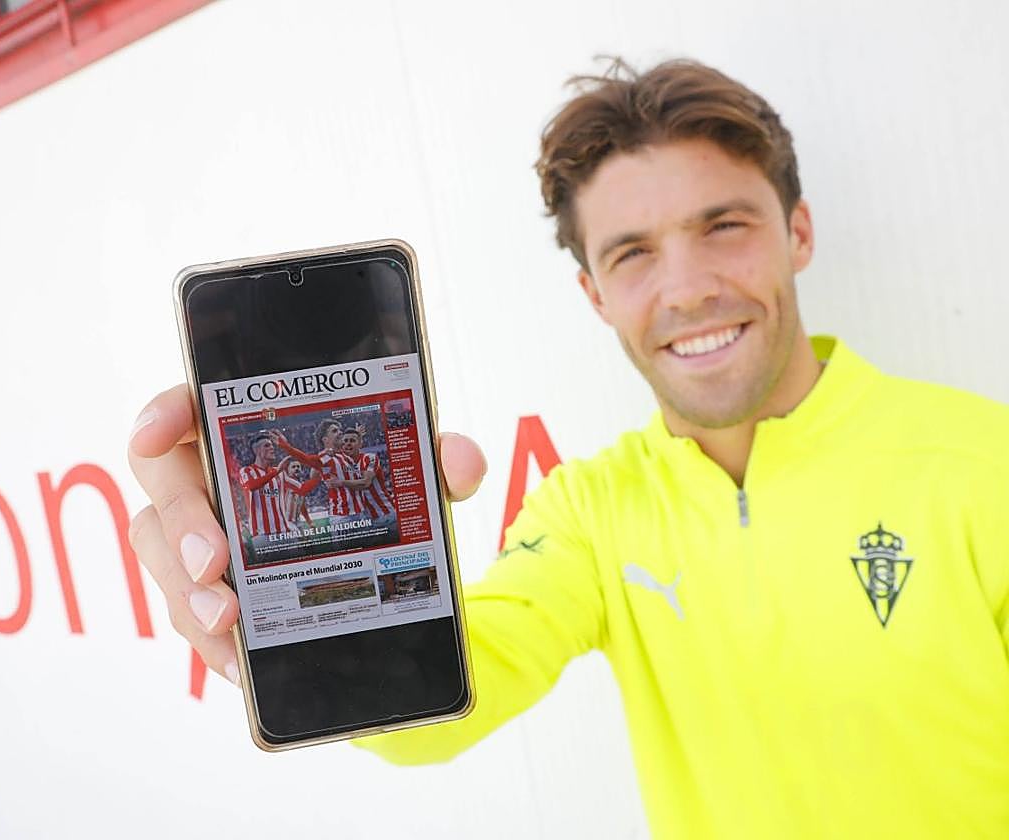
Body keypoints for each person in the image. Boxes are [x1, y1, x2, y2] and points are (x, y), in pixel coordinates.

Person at [126, 58, 1009, 838]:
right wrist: (299, 592)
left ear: (799, 233)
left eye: (724, 226)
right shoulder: (588, 511)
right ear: (594, 294)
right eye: (633, 254)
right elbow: (439, 718)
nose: (689, 288)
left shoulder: (983, 462)